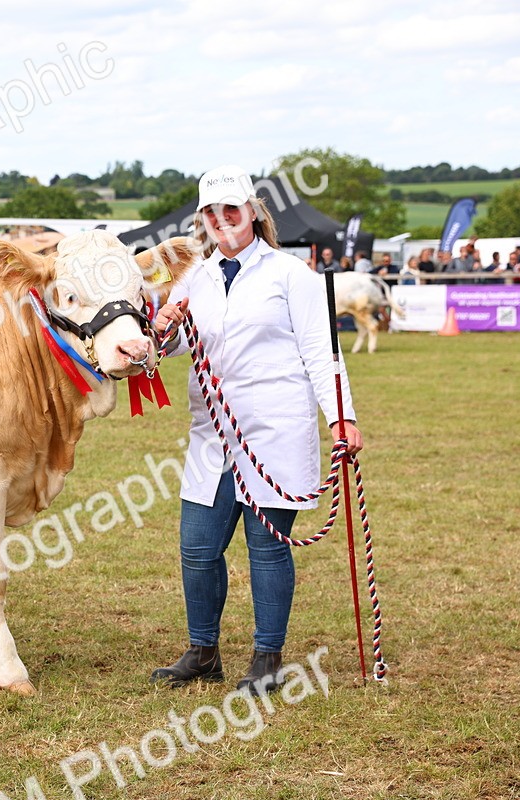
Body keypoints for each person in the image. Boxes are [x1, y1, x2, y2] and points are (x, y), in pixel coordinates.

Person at [148, 165, 364, 695]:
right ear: (202, 220)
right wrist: (163, 327)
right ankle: (204, 652)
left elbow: (322, 352)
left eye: (232, 210)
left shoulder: (292, 275)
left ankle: (268, 657)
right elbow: (177, 347)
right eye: (211, 213)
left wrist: (343, 416)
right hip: (212, 430)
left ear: (252, 212)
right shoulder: (192, 276)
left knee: (266, 547)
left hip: (275, 427)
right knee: (197, 547)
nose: (223, 221)